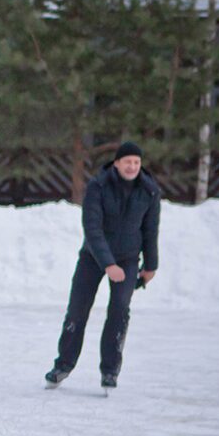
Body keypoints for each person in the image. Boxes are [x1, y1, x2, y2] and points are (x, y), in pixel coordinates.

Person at [46, 141, 161, 390]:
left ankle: (110, 371)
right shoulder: (98, 186)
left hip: (129, 258)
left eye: (136, 162)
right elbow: (92, 229)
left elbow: (150, 230)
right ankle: (63, 365)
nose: (132, 166)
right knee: (77, 309)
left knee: (119, 310)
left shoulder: (149, 191)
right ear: (117, 163)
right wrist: (108, 263)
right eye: (127, 161)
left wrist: (151, 265)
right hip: (93, 257)